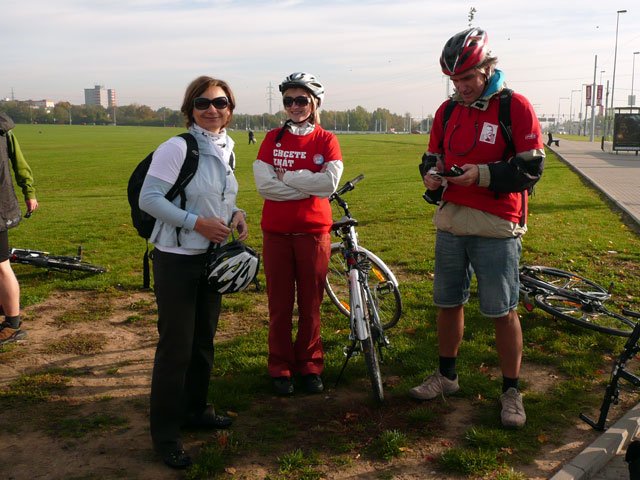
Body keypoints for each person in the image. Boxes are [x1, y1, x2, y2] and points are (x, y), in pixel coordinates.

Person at [410, 28, 545, 428]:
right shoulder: (447, 111)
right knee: (447, 303)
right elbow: (431, 157)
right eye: (454, 80)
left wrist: (482, 175)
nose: (461, 87)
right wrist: (431, 176)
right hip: (451, 222)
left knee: (502, 311)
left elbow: (531, 168)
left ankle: (511, 391)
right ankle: (447, 376)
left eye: (467, 77)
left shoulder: (514, 106)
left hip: (496, 228)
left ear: (487, 68)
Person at [139, 76, 248, 469]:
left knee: (203, 341)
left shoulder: (226, 147)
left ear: (230, 110)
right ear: (190, 109)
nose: (212, 110)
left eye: (220, 103)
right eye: (203, 103)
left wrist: (235, 213)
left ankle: (196, 410)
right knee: (176, 348)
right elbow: (149, 198)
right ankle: (166, 435)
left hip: (210, 258)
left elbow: (215, 196)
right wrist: (196, 223)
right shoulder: (177, 147)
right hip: (177, 259)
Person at [253, 72, 343, 396]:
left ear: (315, 103)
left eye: (301, 100)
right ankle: (279, 366)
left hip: (313, 233)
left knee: (310, 305)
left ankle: (309, 365)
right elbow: (264, 186)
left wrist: (287, 177)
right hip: (276, 233)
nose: (294, 106)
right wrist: (307, 184)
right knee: (279, 305)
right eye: (289, 100)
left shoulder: (327, 140)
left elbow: (328, 184)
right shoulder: (272, 138)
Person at [0, 112, 38, 346]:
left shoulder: (3, 130)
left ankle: (12, 324)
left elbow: (19, 163)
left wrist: (29, 191)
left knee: (1, 266)